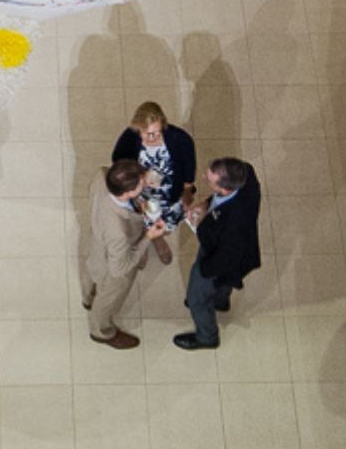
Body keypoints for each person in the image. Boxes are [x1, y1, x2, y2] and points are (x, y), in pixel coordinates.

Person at [84, 160, 174, 349]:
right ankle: (101, 331)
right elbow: (120, 268)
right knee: (108, 297)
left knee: (93, 270)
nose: (145, 183)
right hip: (114, 261)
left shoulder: (102, 176)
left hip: (98, 243)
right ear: (128, 192)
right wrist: (148, 236)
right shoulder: (118, 231)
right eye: (141, 183)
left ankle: (88, 297)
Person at [175, 157, 263, 351]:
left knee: (197, 298)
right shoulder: (246, 174)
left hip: (219, 259)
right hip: (235, 255)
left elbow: (223, 260)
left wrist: (204, 272)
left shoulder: (234, 224)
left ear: (225, 189)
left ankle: (207, 337)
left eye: (210, 179)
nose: (205, 175)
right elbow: (219, 201)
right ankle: (220, 301)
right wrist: (205, 205)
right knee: (224, 283)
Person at [108, 102, 197, 262]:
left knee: (164, 221)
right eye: (147, 133)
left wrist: (187, 192)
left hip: (169, 192)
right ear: (138, 129)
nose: (152, 138)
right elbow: (118, 163)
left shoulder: (180, 139)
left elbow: (189, 169)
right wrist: (139, 176)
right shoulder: (129, 137)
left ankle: (157, 238)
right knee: (138, 221)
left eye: (157, 132)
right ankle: (142, 242)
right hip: (140, 193)